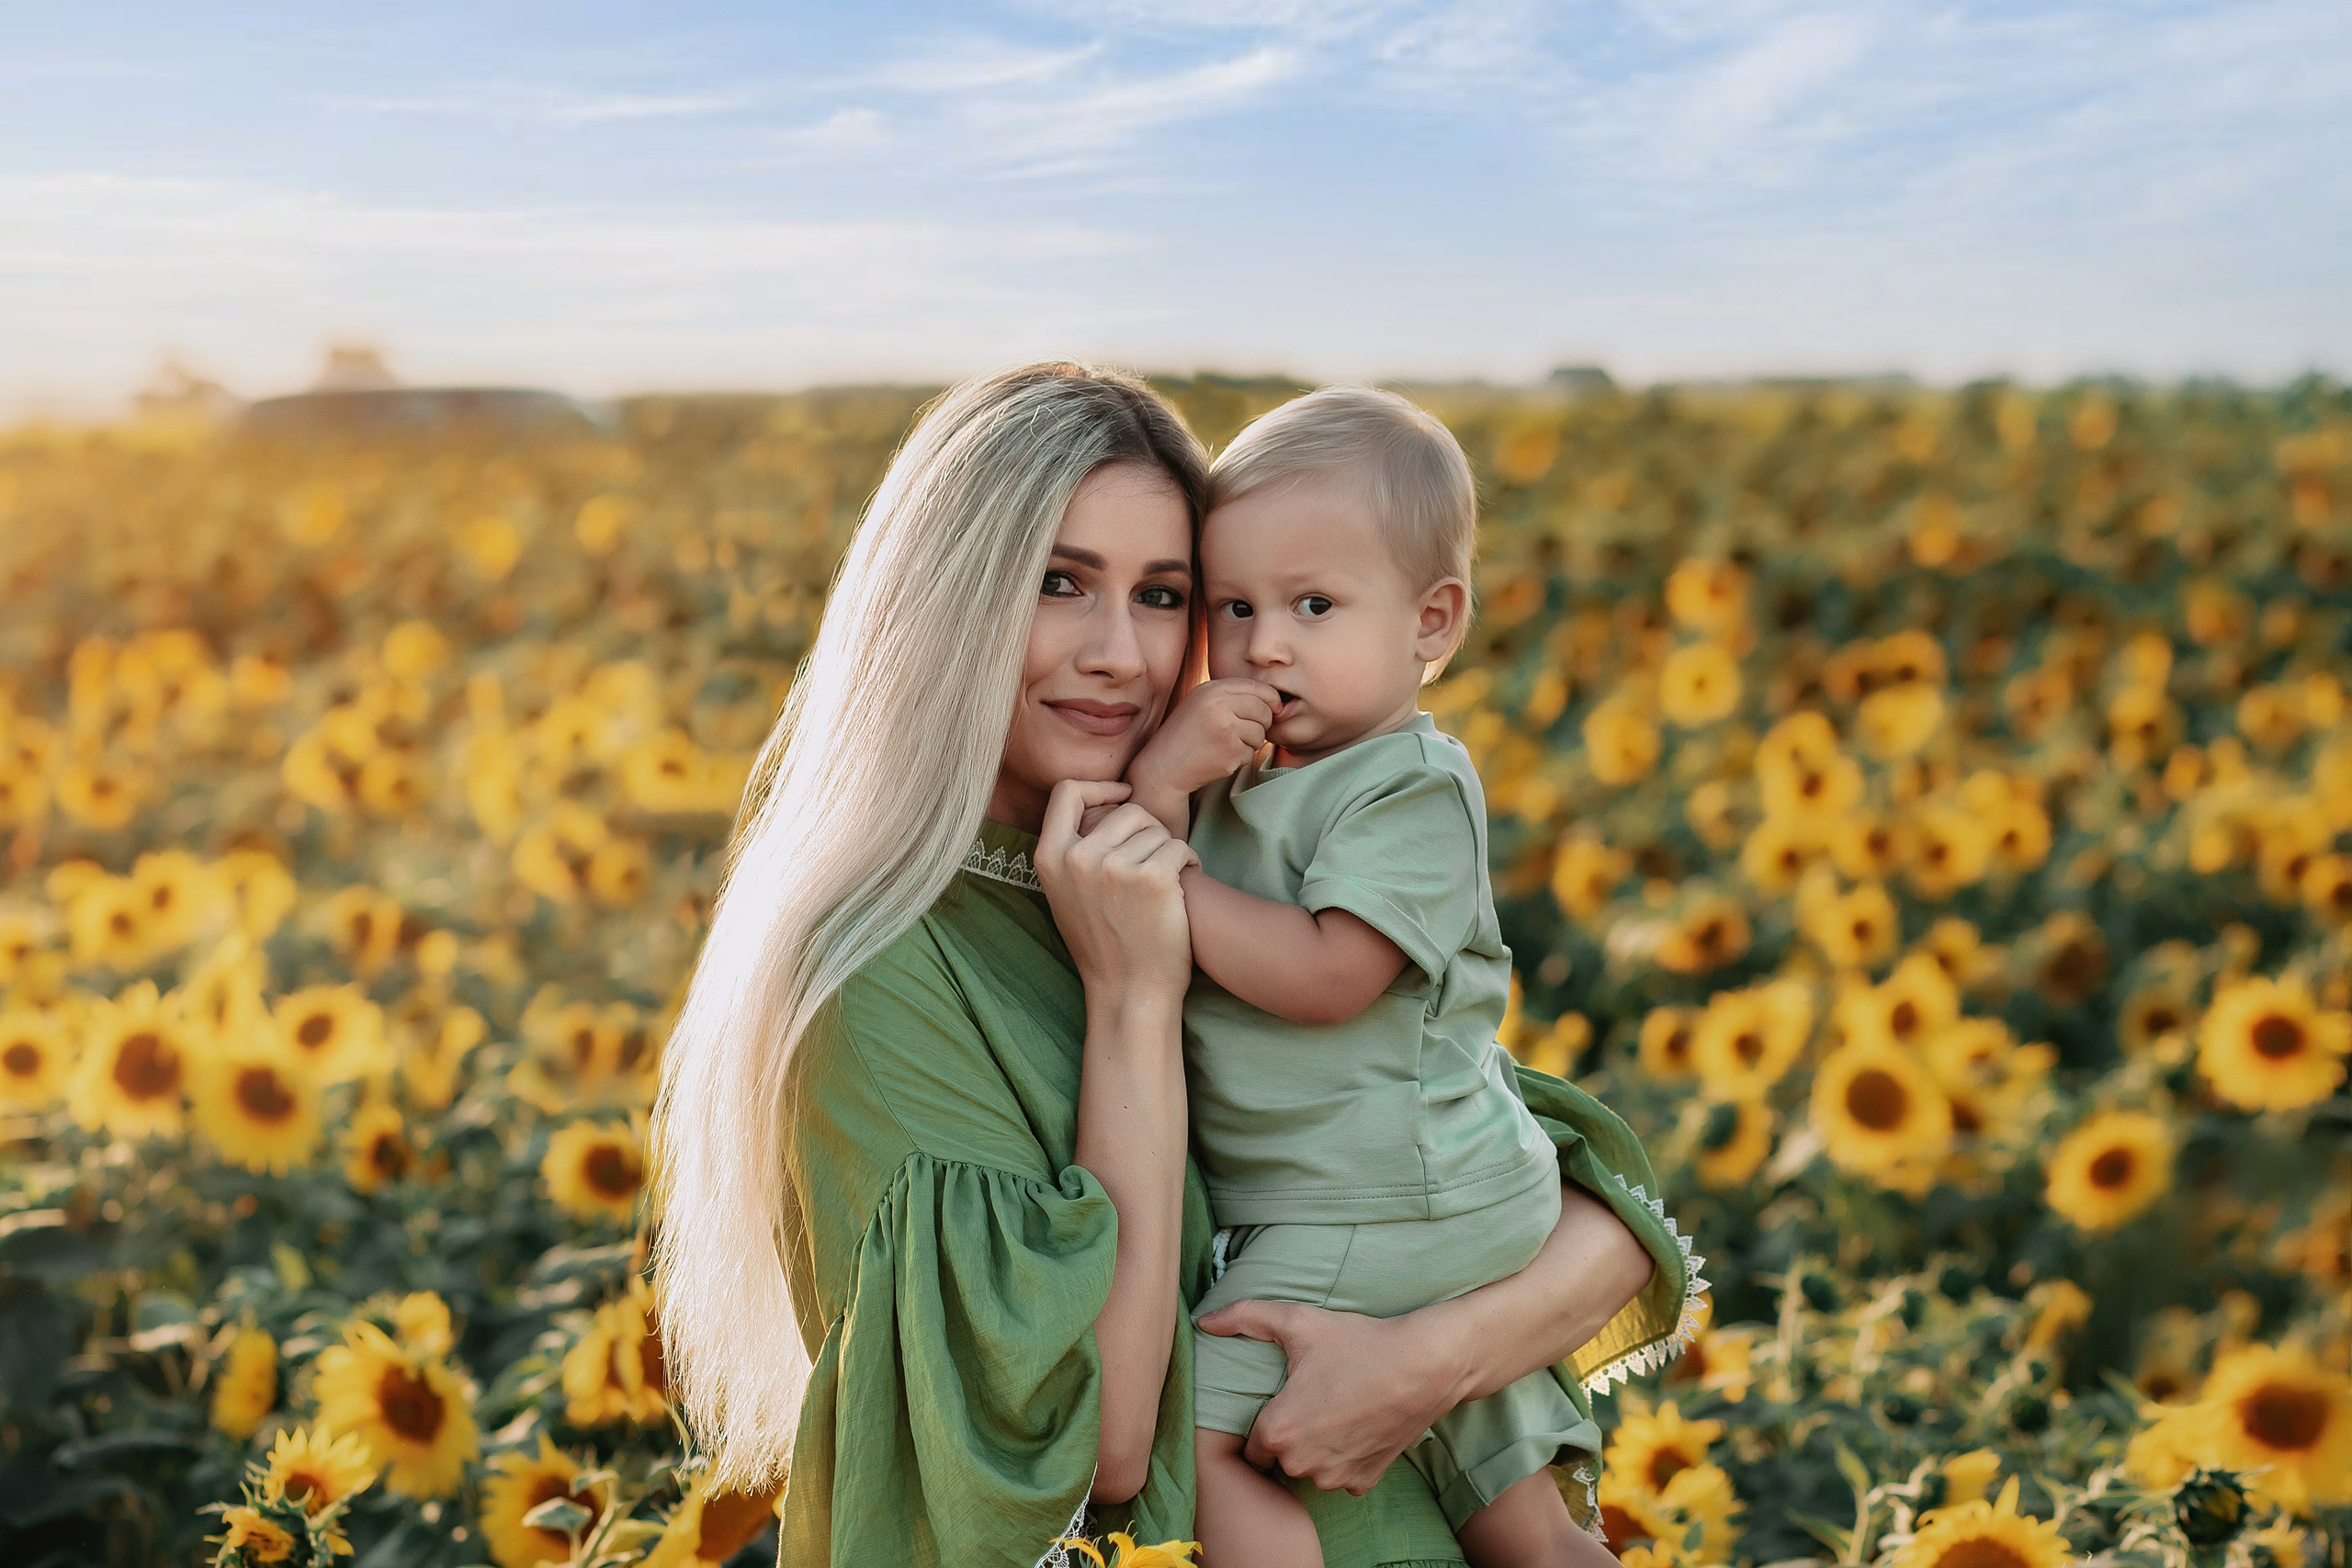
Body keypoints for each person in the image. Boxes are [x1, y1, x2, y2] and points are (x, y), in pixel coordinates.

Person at [649, 362, 1703, 1567]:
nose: (1119, 652)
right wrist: (1132, 995)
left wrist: (1418, 1365)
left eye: (1161, 594)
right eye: (1058, 582)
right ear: (944, 599)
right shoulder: (883, 965)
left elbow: (1596, 1210)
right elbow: (1092, 1437)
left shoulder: (1212, 845)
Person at [1122, 387, 1624, 1567]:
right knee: (1513, 1517)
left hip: (1388, 1199)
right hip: (1391, 1192)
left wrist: (1161, 861)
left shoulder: (1406, 785)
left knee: (1197, 1436)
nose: (1266, 644)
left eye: (1313, 604)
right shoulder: (1251, 776)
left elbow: (1329, 976)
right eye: (1233, 607)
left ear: (1431, 622)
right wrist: (1169, 786)